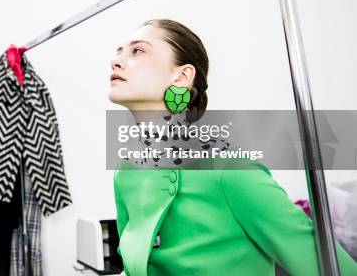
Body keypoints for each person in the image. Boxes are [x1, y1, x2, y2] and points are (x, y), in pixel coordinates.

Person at [108, 19, 357, 275]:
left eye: (138, 50)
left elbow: (327, 266)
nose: (116, 61)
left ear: (182, 77)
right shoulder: (126, 170)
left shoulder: (229, 169)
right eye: (119, 51)